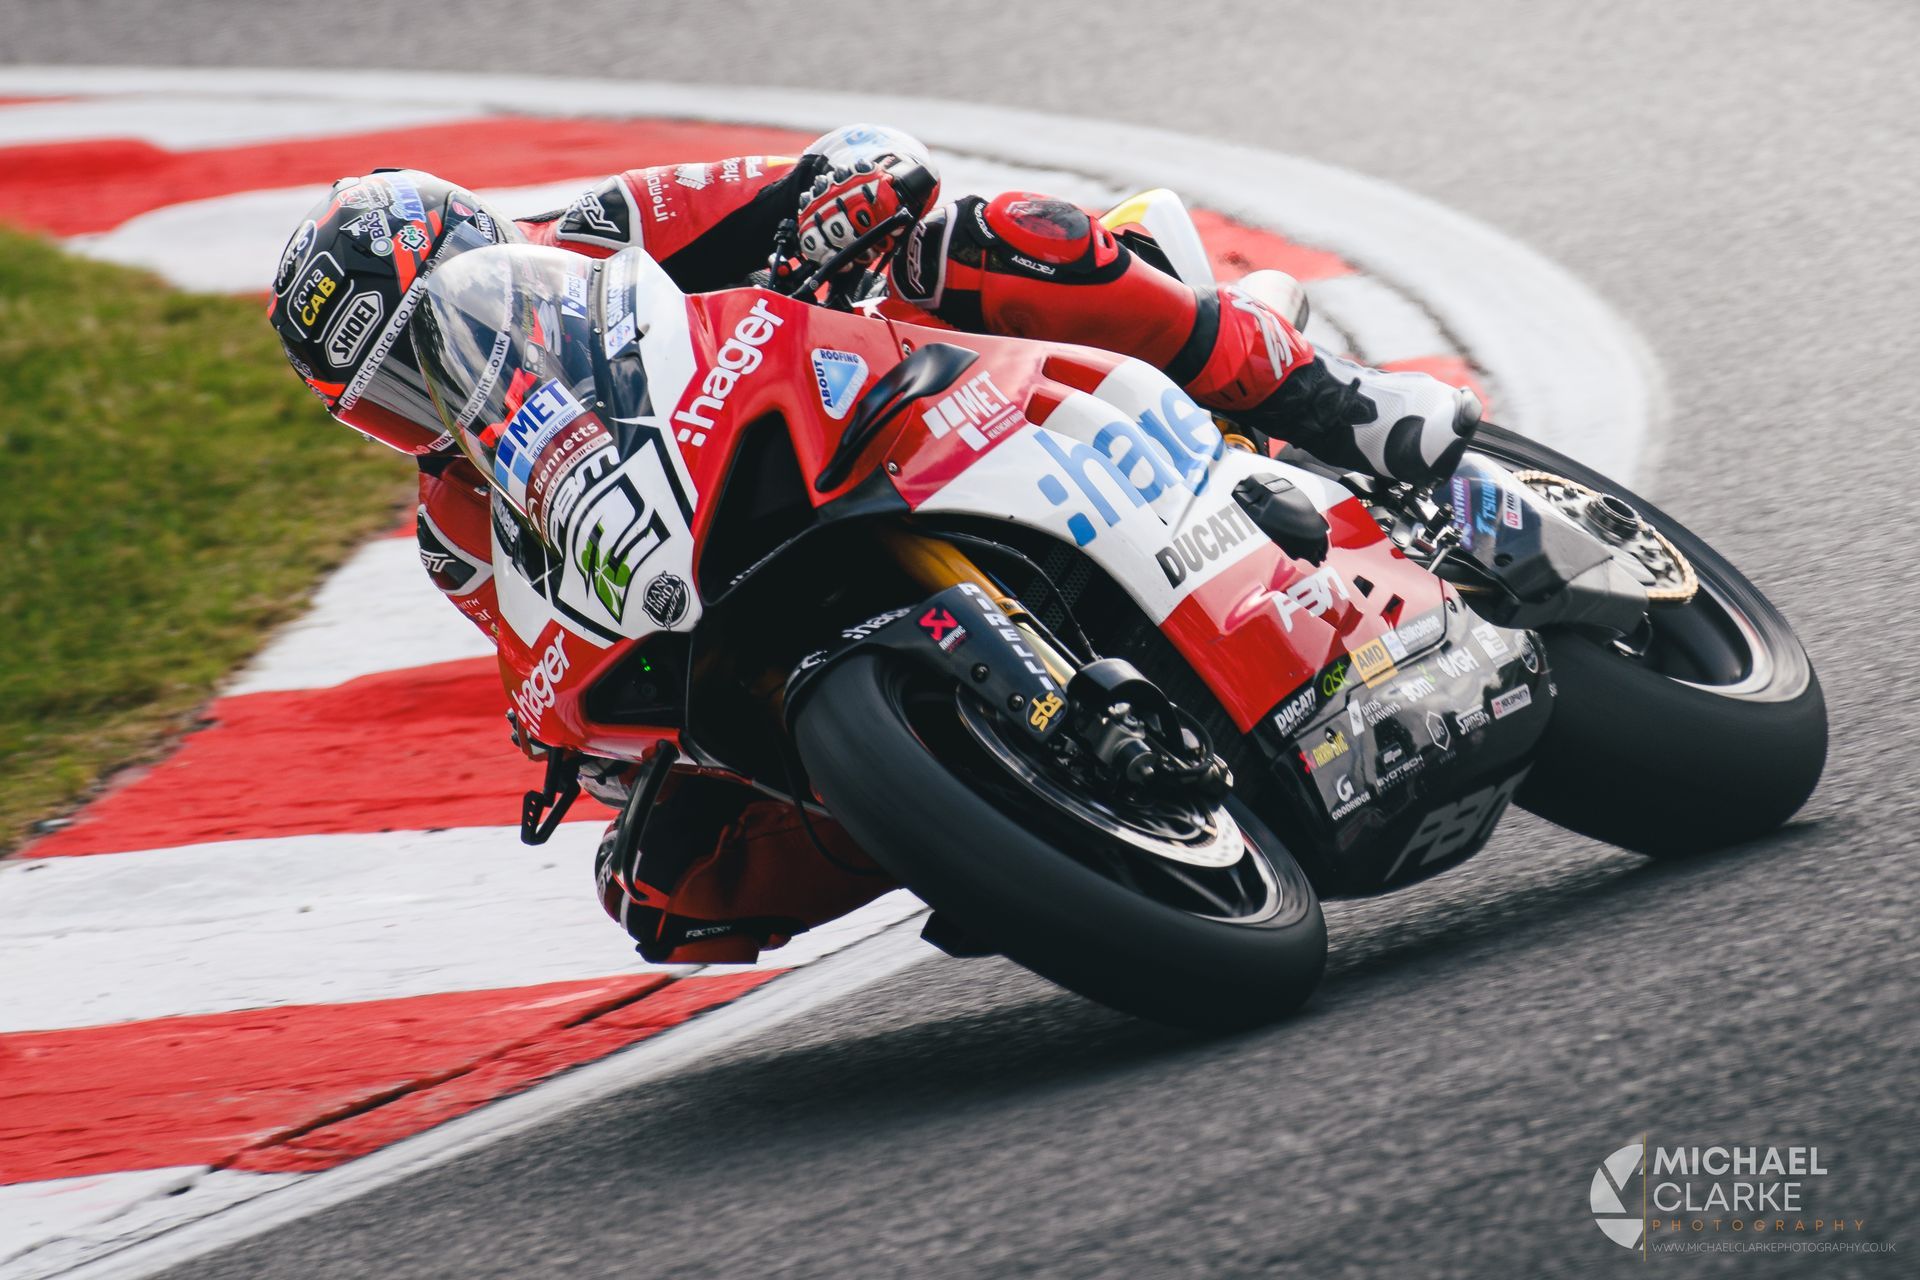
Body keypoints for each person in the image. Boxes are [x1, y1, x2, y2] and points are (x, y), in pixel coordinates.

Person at [265, 128, 1481, 962]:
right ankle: (1012, 826)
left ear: (479, 244)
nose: (430, 400)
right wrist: (588, 751)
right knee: (663, 887)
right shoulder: (456, 526)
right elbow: (537, 653)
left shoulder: (607, 225)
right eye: (392, 397)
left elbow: (851, 164)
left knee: (983, 237)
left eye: (432, 347)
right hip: (742, 580)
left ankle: (1331, 403)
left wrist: (835, 207)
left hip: (876, 397)